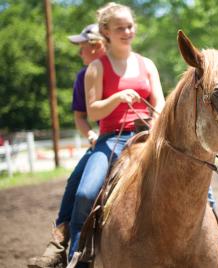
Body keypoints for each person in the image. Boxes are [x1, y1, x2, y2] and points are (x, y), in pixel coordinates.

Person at [68, 2, 165, 267]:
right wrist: (119, 97)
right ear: (105, 31)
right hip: (112, 139)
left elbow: (160, 102)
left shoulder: (147, 64)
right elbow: (94, 113)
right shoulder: (96, 68)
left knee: (193, 175)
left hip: (148, 134)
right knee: (85, 193)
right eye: (119, 27)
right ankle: (77, 251)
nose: (127, 31)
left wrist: (155, 124)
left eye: (130, 26)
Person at [27, 23, 106, 268]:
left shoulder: (127, 67)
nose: (79, 53)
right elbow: (81, 116)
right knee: (76, 185)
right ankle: (59, 246)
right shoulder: (84, 76)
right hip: (104, 139)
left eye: (82, 47)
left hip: (140, 135)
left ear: (97, 46)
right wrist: (92, 135)